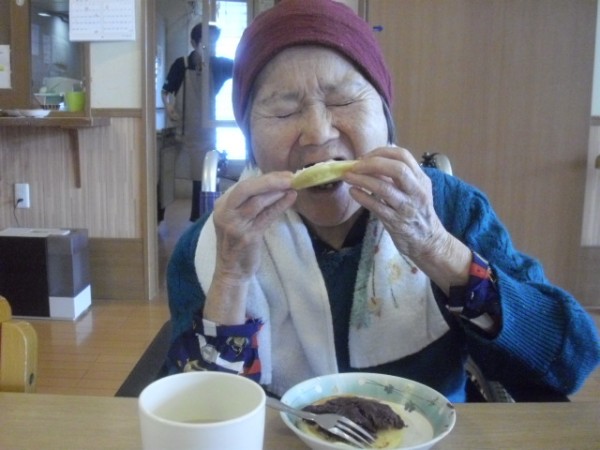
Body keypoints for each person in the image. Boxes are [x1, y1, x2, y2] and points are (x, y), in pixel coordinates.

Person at [166, 0, 599, 402]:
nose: (318, 133)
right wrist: (231, 277)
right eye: (283, 111)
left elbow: (568, 362)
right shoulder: (217, 243)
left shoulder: (449, 209)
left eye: (342, 100)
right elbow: (198, 413)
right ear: (249, 138)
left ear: (386, 118)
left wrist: (436, 247)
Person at [161, 22, 233, 222]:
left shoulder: (218, 65)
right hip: (182, 132)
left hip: (206, 133)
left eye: (214, 43)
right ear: (194, 43)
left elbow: (243, 68)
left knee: (203, 179)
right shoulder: (181, 64)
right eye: (206, 43)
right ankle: (159, 216)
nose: (210, 48)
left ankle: (200, 220)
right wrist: (169, 106)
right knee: (166, 173)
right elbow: (166, 91)